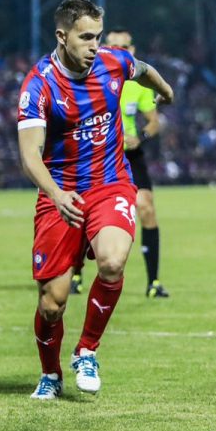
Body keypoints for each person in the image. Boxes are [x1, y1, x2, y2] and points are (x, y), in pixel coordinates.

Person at [17, 0, 174, 400]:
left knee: (112, 260)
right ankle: (50, 374)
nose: (94, 45)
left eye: (98, 36)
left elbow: (145, 71)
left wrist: (166, 92)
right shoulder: (39, 85)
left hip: (111, 184)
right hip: (60, 194)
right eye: (85, 37)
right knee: (52, 304)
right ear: (62, 35)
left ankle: (87, 350)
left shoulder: (112, 61)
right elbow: (30, 156)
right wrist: (55, 194)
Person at [71, 27, 170, 298]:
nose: (117, 51)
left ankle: (154, 282)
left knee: (147, 208)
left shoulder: (139, 85)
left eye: (123, 47)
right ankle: (76, 275)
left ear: (132, 52)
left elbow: (153, 122)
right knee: (82, 211)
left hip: (130, 155)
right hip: (98, 154)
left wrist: (141, 137)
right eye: (111, 45)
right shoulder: (93, 78)